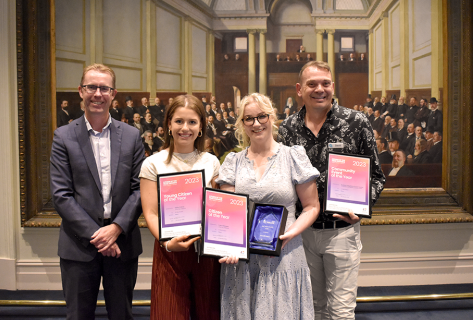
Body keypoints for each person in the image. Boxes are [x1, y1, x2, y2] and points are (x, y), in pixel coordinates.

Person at [278, 61, 385, 320]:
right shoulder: (287, 130)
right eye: (312, 84)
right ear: (299, 89)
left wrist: (361, 209)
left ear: (333, 87)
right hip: (302, 234)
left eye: (325, 83)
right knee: (313, 307)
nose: (320, 89)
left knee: (341, 311)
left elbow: (376, 178)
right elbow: (281, 180)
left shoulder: (356, 122)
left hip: (342, 232)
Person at [50, 63, 145, 319]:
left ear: (113, 94)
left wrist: (115, 230)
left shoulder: (132, 136)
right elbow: (61, 195)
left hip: (122, 244)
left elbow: (139, 191)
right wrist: (99, 236)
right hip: (78, 247)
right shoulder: (63, 137)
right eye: (91, 87)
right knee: (79, 316)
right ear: (80, 91)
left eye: (104, 88)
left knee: (121, 315)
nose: (98, 94)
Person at [218, 92, 320, 319]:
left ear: (272, 117)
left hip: (285, 254)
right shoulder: (232, 163)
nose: (256, 123)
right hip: (244, 260)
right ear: (242, 124)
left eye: (262, 116)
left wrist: (289, 234)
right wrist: (232, 245)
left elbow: (312, 206)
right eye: (249, 119)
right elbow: (229, 214)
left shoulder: (293, 157)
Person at [140, 95, 220, 320]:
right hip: (170, 253)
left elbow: (217, 209)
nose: (185, 128)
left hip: (206, 253)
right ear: (168, 124)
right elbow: (151, 213)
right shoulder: (153, 163)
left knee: (209, 314)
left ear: (201, 126)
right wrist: (167, 244)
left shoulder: (211, 162)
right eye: (179, 121)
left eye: (192, 122)